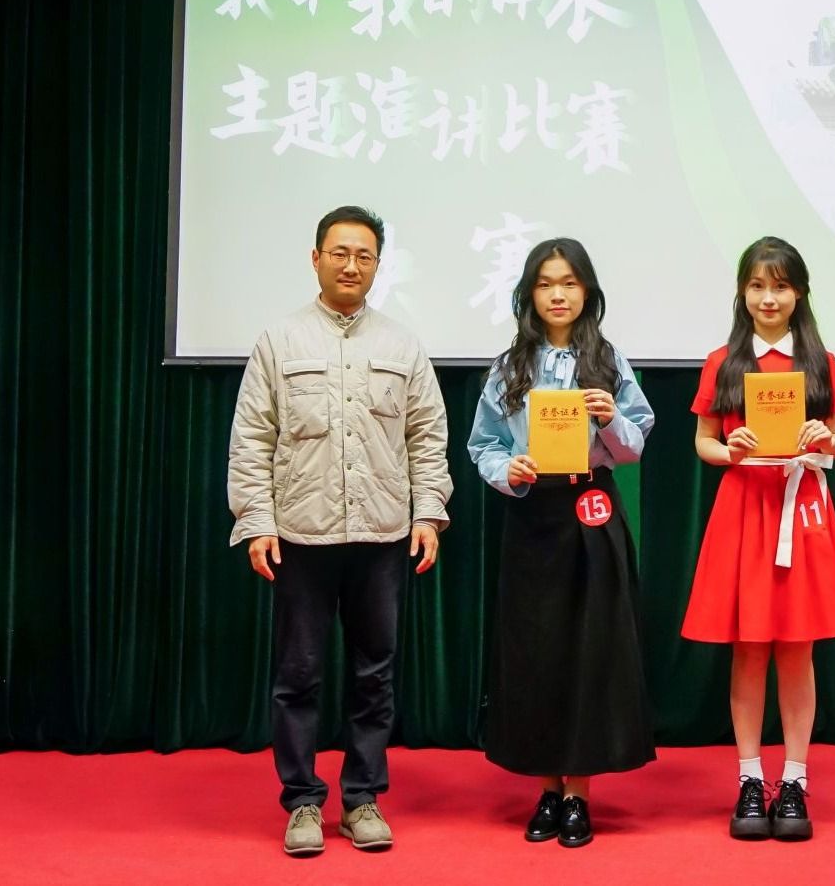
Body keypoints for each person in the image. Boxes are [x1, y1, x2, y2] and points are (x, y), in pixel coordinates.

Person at [226, 205, 453, 858]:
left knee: (374, 675)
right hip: (301, 536)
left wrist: (428, 514)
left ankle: (361, 799)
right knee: (297, 675)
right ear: (316, 258)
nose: (352, 265)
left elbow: (427, 437)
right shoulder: (279, 341)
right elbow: (252, 438)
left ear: (377, 265)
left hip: (382, 536)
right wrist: (257, 521)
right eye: (340, 253)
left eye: (365, 256)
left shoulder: (402, 345)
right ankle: (301, 800)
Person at [467, 238, 657, 848]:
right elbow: (482, 445)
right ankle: (547, 789)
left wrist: (608, 417)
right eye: (546, 283)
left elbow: (635, 444)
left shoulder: (609, 360)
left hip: (590, 511)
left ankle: (579, 793)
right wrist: (508, 470)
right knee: (537, 653)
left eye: (569, 283)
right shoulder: (508, 366)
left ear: (587, 292)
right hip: (533, 516)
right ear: (529, 293)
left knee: (590, 650)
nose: (558, 294)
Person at [681, 236, 835, 842]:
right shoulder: (723, 361)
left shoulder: (820, 361)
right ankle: (751, 778)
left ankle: (796, 779)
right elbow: (703, 442)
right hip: (744, 509)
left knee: (797, 648)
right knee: (749, 648)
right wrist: (728, 450)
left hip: (800, 510)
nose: (768, 298)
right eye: (757, 285)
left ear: (799, 292)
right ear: (742, 292)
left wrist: (823, 439)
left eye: (780, 286)